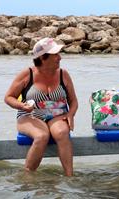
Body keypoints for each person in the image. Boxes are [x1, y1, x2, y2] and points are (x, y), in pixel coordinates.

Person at [5, 37, 78, 176]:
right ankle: (27, 176)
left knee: (62, 133)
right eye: (55, 54)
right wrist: (22, 105)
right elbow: (8, 97)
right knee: (41, 136)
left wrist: (70, 114)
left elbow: (73, 101)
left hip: (57, 115)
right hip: (30, 115)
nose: (60, 57)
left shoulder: (64, 74)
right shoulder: (27, 74)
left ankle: (70, 176)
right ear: (43, 58)